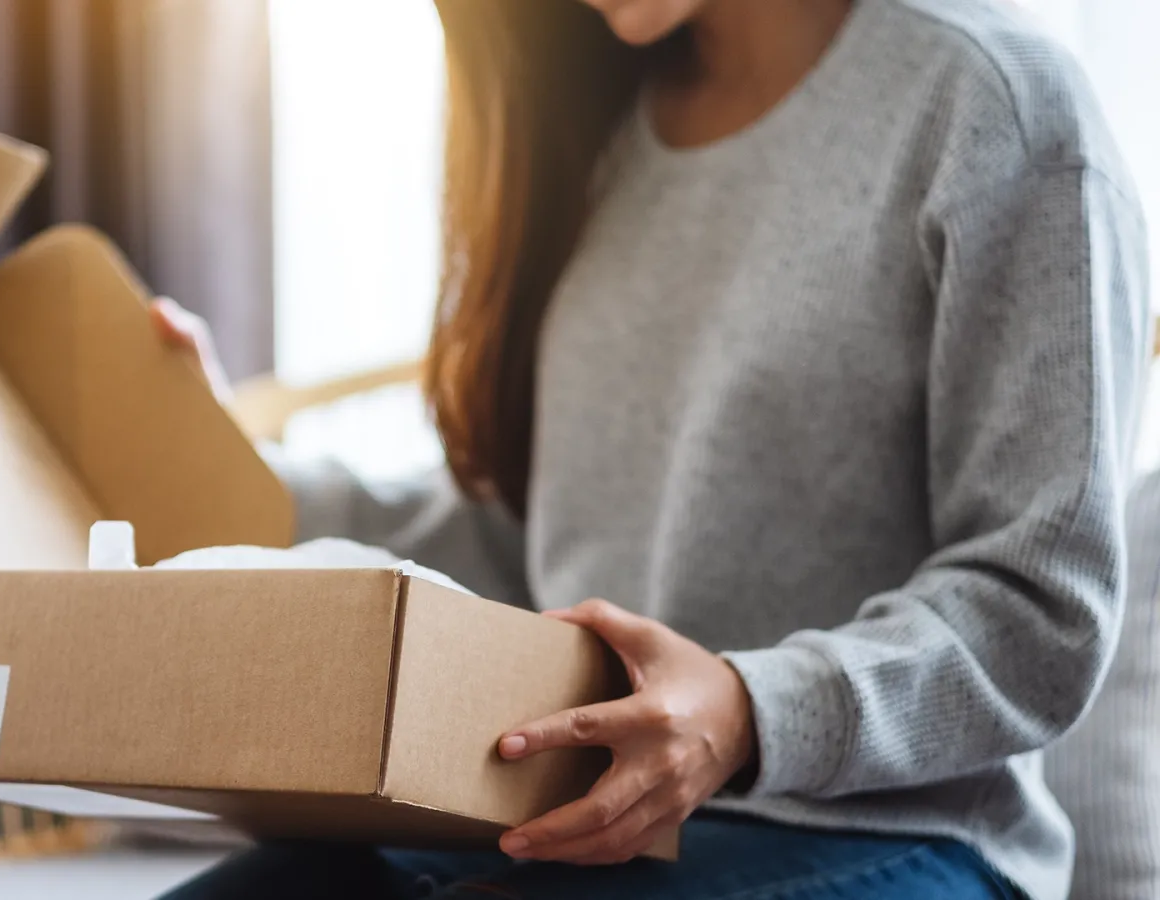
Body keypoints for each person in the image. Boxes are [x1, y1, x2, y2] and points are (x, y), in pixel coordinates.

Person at [148, 0, 1149, 897]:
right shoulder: (588, 129)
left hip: (904, 834)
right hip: (585, 821)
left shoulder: (993, 103)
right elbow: (525, 540)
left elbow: (1041, 608)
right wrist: (209, 470)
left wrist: (748, 710)